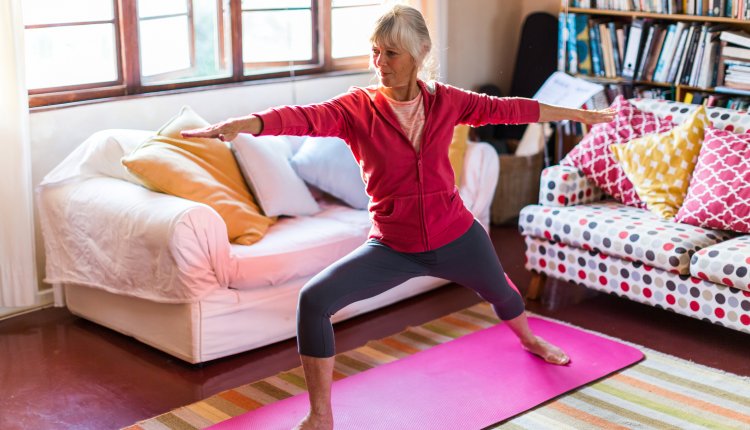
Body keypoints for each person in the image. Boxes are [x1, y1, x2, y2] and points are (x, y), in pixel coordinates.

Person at [183, 5, 615, 429]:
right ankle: (320, 415)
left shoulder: (448, 102)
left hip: (457, 234)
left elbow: (510, 109)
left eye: (391, 53)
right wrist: (247, 122)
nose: (379, 63)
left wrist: (577, 114)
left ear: (419, 54)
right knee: (313, 301)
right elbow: (303, 119)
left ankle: (529, 338)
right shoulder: (357, 109)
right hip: (393, 247)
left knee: (502, 292)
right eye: (375, 51)